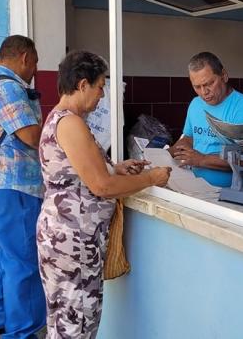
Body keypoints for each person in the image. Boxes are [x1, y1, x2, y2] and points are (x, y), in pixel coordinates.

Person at [37, 50, 171, 338]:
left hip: (68, 238)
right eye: (100, 88)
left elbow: (83, 173)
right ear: (82, 85)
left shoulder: (62, 119)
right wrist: (151, 178)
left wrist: (116, 168)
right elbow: (101, 187)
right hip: (72, 242)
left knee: (64, 323)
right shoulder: (70, 123)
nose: (101, 97)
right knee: (76, 326)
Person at [0, 35, 46, 338]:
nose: (35, 69)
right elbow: (31, 136)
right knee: (24, 263)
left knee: (4, 256)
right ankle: (22, 332)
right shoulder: (8, 88)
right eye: (34, 62)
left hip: (3, 188)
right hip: (16, 186)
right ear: (23, 57)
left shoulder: (0, 85)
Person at [168, 52, 243, 187]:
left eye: (209, 83)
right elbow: (189, 139)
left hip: (234, 193)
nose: (204, 92)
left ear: (224, 75)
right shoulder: (195, 104)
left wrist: (201, 160)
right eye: (197, 87)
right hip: (197, 188)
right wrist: (161, 156)